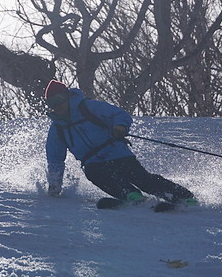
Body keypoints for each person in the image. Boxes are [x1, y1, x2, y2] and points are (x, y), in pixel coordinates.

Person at [44, 79, 195, 206]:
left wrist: (120, 126)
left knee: (141, 179)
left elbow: (119, 114)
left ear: (67, 96)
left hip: (115, 151)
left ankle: (183, 197)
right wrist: (55, 186)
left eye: (58, 101)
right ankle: (131, 196)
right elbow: (55, 158)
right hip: (91, 161)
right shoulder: (57, 128)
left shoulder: (87, 107)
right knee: (96, 175)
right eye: (51, 103)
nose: (56, 107)